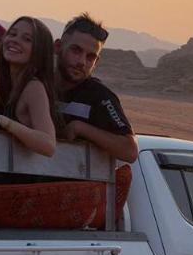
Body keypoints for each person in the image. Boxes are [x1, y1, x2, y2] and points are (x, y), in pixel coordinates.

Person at [56, 13, 139, 163]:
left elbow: (130, 151)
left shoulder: (100, 96)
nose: (81, 62)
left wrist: (80, 128)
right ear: (58, 47)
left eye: (90, 57)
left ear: (96, 62)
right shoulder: (37, 86)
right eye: (76, 50)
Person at [0, 17, 58, 157]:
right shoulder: (7, 86)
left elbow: (48, 145)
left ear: (39, 51)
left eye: (27, 39)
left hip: (16, 177)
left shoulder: (33, 88)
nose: (15, 40)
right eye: (12, 34)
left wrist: (2, 123)